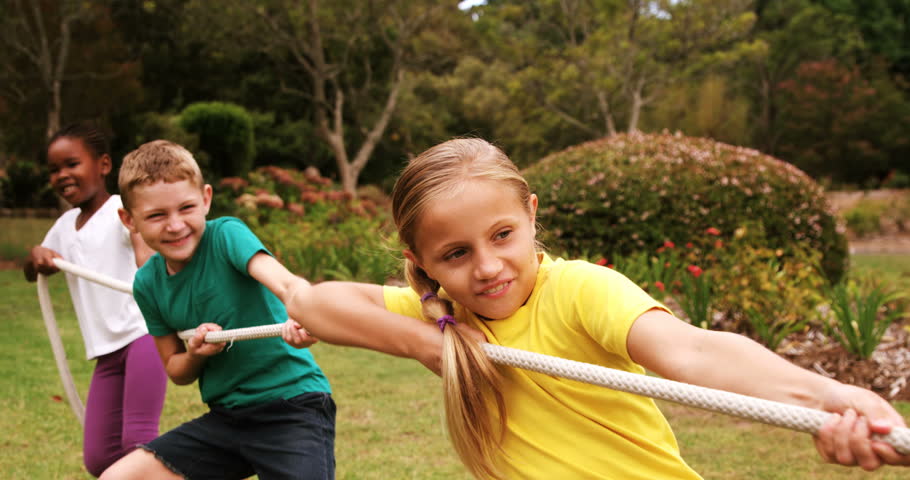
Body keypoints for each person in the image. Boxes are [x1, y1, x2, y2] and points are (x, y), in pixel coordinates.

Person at [278, 138, 910, 479]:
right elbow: (314, 302)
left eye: (502, 236)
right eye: (456, 253)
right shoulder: (445, 316)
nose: (488, 267)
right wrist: (434, 344)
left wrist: (828, 398)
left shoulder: (579, 290)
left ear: (530, 216)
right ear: (421, 262)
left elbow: (690, 350)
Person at [100, 140, 334, 480]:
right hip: (227, 419)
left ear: (206, 199)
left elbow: (286, 284)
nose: (175, 225)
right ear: (129, 219)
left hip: (293, 409)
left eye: (186, 208)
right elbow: (176, 370)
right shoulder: (147, 284)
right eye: (156, 215)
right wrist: (197, 353)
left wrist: (305, 310)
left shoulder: (226, 236)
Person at [23, 122, 166, 477]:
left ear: (103, 165)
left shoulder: (122, 210)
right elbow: (35, 268)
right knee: (99, 458)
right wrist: (36, 256)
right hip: (106, 350)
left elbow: (150, 253)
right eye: (54, 169)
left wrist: (142, 244)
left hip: (143, 336)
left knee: (137, 441)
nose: (62, 175)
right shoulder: (65, 224)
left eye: (72, 164)